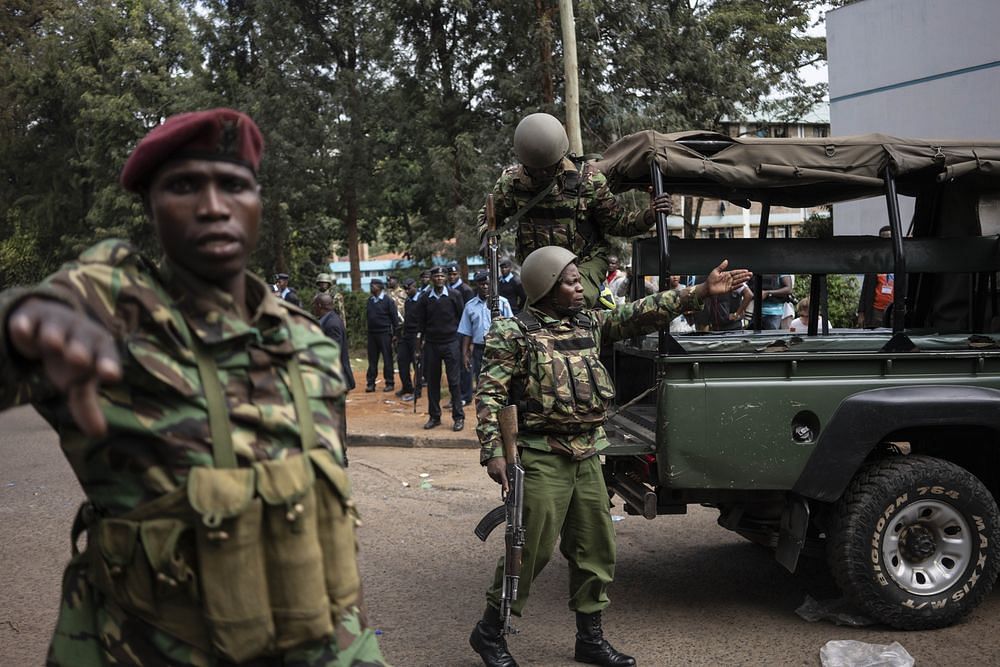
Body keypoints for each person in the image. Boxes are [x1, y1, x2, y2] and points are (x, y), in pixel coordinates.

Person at [0, 108, 384, 666]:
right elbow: (35, 324)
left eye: (234, 185)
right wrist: (21, 324)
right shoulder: (113, 320)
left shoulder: (306, 341)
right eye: (183, 186)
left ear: (257, 204)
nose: (212, 206)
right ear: (151, 208)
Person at [469, 246, 751, 667]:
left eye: (577, 278)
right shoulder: (513, 333)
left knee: (595, 547)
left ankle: (590, 638)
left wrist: (699, 293)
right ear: (546, 287)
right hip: (542, 454)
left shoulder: (589, 323)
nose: (579, 287)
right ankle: (490, 632)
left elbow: (640, 312)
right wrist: (493, 451)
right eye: (569, 281)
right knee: (532, 548)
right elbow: (489, 396)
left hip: (587, 454)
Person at [475, 112, 674, 309]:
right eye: (536, 169)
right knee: (533, 322)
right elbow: (489, 216)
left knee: (570, 306)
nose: (543, 173)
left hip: (584, 264)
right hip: (540, 272)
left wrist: (650, 214)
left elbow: (618, 223)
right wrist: (486, 235)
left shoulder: (587, 181)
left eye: (549, 168)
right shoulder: (511, 183)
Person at [415, 265, 465, 431]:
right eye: (436, 276)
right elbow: (420, 322)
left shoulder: (455, 295)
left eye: (442, 276)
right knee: (433, 382)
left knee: (454, 382)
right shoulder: (424, 298)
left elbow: (461, 318)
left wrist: (460, 341)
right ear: (432, 278)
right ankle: (434, 416)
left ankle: (458, 417)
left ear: (445, 278)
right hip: (431, 344)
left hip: (451, 343)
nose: (439, 279)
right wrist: (419, 344)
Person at [458, 271, 513, 392]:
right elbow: (467, 332)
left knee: (501, 381)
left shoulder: (502, 303)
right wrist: (465, 353)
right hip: (479, 349)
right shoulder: (470, 306)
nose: (485, 287)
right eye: (482, 284)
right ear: (477, 284)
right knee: (481, 381)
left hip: (499, 348)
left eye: (487, 283)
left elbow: (511, 328)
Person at [857, 225, 895, 328]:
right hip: (876, 311)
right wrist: (861, 312)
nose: (886, 241)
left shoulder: (900, 258)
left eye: (889, 238)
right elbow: (865, 288)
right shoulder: (874, 261)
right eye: (884, 239)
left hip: (894, 311)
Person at [449, 264, 475, 405]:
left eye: (454, 274)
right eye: (450, 274)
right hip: (451, 333)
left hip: (463, 332)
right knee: (455, 365)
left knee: (465, 364)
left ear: (459, 274)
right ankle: (457, 395)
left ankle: (466, 395)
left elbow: (469, 313)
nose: (452, 277)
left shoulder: (466, 290)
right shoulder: (448, 290)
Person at [365, 277, 398, 392]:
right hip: (372, 335)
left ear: (379, 287)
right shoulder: (370, 300)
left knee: (387, 359)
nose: (371, 287)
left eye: (373, 285)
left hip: (385, 334)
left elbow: (395, 319)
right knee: (372, 360)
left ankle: (389, 382)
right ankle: (370, 383)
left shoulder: (388, 301)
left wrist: (395, 334)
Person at [396, 278, 422, 400]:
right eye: (405, 288)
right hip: (406, 335)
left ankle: (417, 391)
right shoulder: (408, 301)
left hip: (416, 336)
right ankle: (407, 387)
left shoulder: (421, 300)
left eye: (408, 288)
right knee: (402, 361)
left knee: (416, 363)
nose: (406, 291)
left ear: (415, 287)